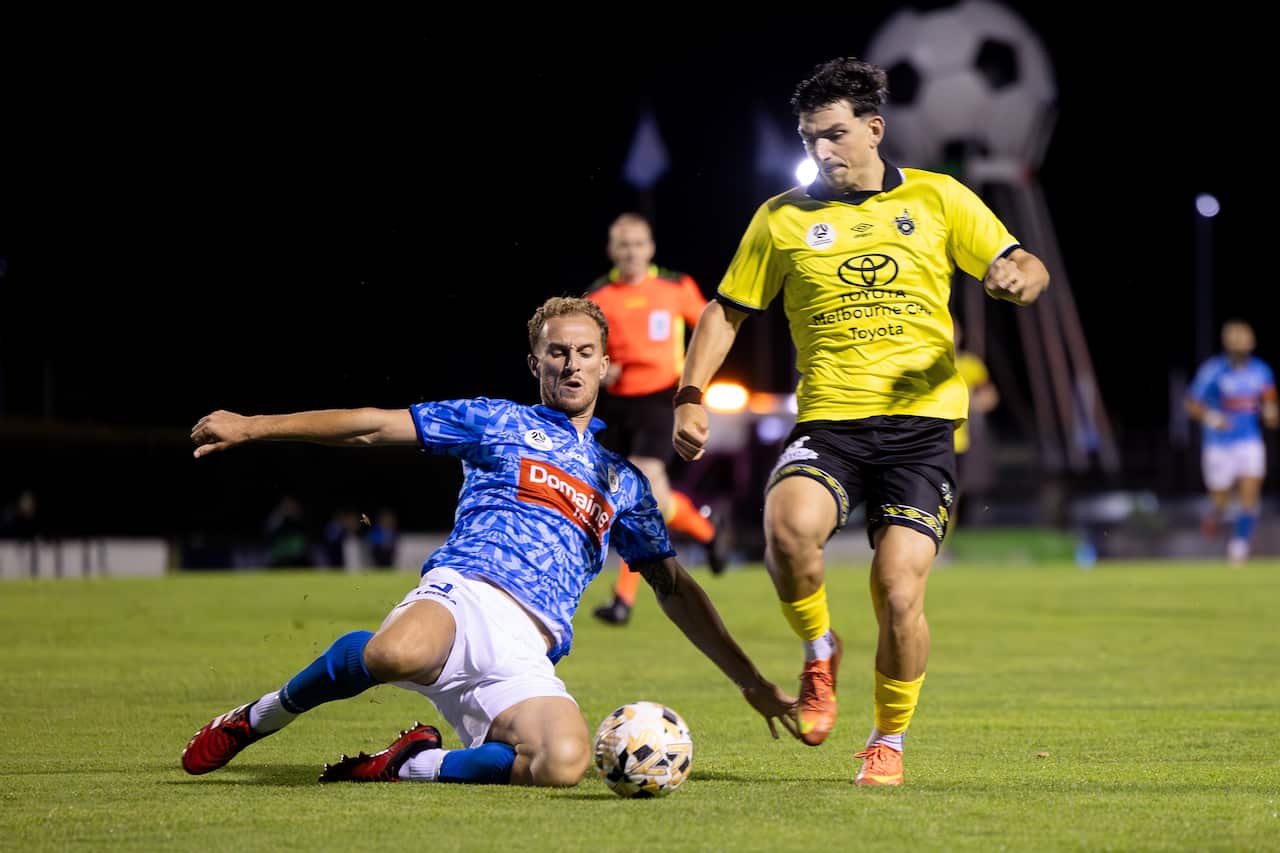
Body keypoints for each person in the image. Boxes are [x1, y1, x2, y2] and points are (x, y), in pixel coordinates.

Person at [181, 296, 798, 787]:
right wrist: (253, 426)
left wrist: (749, 680)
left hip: (530, 647)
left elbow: (675, 588)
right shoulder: (497, 421)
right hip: (465, 593)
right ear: (537, 363)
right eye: (557, 353)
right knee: (395, 653)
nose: (572, 364)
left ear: (605, 364)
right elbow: (373, 427)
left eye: (585, 352)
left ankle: (410, 764)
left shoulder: (624, 482)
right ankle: (256, 719)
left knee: (562, 762)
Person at [671, 58, 1049, 786]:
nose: (823, 151)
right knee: (787, 530)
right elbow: (725, 310)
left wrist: (1018, 281)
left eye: (837, 135)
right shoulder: (781, 218)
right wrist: (691, 394)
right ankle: (819, 649)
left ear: (875, 129)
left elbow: (1022, 263)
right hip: (833, 422)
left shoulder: (940, 198)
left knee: (899, 591)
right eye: (812, 138)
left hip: (921, 430)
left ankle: (887, 739)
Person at [586, 213, 725, 626]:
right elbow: (582, 348)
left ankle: (622, 601)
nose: (631, 252)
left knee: (638, 489)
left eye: (638, 244)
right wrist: (598, 367)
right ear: (612, 250)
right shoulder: (597, 297)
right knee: (651, 501)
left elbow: (712, 329)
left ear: (650, 248)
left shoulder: (674, 287)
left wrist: (695, 384)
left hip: (661, 399)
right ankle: (708, 533)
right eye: (622, 245)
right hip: (616, 406)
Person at [1185, 319, 1278, 565]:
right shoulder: (1213, 370)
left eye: (1244, 339)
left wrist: (1270, 410)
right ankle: (1215, 515)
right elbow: (1191, 403)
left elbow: (1268, 394)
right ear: (1227, 343)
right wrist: (1213, 418)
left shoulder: (1261, 370)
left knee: (1250, 493)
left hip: (1249, 442)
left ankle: (1239, 547)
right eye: (1235, 339)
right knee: (1222, 500)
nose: (1240, 344)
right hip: (1219, 445)